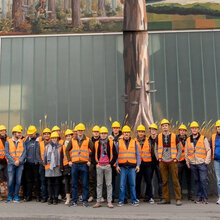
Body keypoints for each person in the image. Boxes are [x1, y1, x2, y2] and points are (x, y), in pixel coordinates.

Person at [156, 119, 182, 206]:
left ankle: (178, 199)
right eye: (163, 126)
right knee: (164, 181)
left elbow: (180, 148)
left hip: (172, 161)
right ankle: (166, 199)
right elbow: (155, 149)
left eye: (166, 125)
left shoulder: (174, 136)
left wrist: (177, 158)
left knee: (175, 180)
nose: (165, 127)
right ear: (161, 127)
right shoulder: (158, 136)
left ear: (169, 126)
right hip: (162, 161)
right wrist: (158, 158)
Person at [66, 123, 93, 207]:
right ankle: (74, 201)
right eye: (79, 130)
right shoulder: (72, 140)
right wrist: (69, 160)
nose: (80, 132)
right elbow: (67, 150)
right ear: (76, 131)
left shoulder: (88, 140)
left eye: (81, 130)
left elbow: (93, 150)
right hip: (74, 164)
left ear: (83, 131)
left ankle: (85, 201)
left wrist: (90, 160)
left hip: (84, 164)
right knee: (74, 184)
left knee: (85, 183)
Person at [185, 121, 211, 204]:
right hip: (193, 164)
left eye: (195, 128)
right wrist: (187, 162)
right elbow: (186, 152)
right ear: (191, 129)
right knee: (196, 180)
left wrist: (207, 161)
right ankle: (199, 197)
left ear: (198, 129)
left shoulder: (203, 138)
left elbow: (209, 150)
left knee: (203, 180)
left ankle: (205, 198)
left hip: (202, 163)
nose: (194, 129)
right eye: (193, 128)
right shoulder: (188, 139)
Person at [92, 126, 117, 208]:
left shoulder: (110, 142)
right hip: (99, 166)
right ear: (100, 134)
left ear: (107, 134)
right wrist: (96, 163)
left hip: (107, 166)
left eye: (105, 133)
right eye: (102, 133)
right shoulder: (96, 143)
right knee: (99, 184)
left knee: (109, 184)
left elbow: (115, 154)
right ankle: (98, 202)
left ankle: (109, 202)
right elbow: (92, 155)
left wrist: (111, 163)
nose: (103, 135)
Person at [116, 125, 141, 207]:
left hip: (132, 167)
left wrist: (138, 165)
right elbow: (116, 155)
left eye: (128, 132)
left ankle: (134, 200)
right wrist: (117, 165)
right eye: (125, 132)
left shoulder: (134, 142)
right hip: (122, 167)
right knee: (122, 185)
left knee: (132, 185)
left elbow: (138, 154)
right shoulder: (118, 142)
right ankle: (121, 201)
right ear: (123, 133)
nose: (126, 134)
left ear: (130, 133)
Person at [5, 126, 26, 202]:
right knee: (10, 181)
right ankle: (10, 196)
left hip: (20, 164)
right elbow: (7, 154)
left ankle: (16, 197)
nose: (20, 134)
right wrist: (14, 162)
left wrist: (19, 161)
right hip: (11, 164)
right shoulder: (8, 142)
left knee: (18, 181)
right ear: (14, 133)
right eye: (19, 133)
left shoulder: (22, 141)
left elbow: (24, 153)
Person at [135, 125, 154, 203]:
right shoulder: (134, 141)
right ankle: (137, 196)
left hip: (147, 164)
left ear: (144, 132)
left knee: (148, 181)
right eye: (139, 132)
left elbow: (152, 152)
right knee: (138, 181)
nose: (141, 133)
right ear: (137, 132)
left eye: (142, 132)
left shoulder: (148, 141)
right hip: (138, 164)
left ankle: (150, 197)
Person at [43, 132, 63, 205]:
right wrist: (45, 165)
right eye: (53, 138)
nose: (54, 139)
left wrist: (61, 167)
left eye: (55, 138)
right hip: (49, 167)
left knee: (57, 183)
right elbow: (45, 157)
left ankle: (55, 198)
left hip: (57, 166)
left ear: (57, 138)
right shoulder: (47, 146)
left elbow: (61, 157)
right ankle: (50, 197)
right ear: (51, 139)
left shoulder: (60, 146)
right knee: (49, 183)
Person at [23, 125, 41, 202]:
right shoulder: (26, 140)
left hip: (36, 164)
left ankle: (38, 196)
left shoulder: (39, 139)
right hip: (28, 163)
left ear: (35, 132)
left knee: (37, 180)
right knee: (29, 181)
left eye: (31, 133)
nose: (30, 135)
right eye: (29, 133)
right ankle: (28, 196)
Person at [108, 121, 123, 203]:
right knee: (111, 181)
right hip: (112, 162)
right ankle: (112, 197)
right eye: (114, 128)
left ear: (119, 128)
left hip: (121, 161)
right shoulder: (109, 138)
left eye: (117, 128)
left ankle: (123, 197)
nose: (115, 129)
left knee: (122, 181)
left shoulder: (123, 137)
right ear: (112, 129)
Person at [177, 124, 192, 201]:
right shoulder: (176, 139)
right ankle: (180, 195)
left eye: (183, 130)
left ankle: (190, 195)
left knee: (189, 179)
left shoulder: (189, 139)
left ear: (186, 131)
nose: (182, 132)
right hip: (179, 161)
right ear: (179, 131)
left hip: (187, 161)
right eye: (181, 130)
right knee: (179, 179)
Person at [148, 123, 162, 201]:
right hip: (150, 162)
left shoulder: (160, 139)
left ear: (156, 130)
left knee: (160, 179)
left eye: (154, 129)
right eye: (151, 129)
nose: (152, 131)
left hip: (158, 162)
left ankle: (161, 196)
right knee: (149, 180)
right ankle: (150, 196)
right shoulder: (148, 139)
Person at [37, 128, 51, 203]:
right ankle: (44, 197)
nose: (46, 135)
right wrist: (41, 162)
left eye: (48, 134)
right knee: (43, 182)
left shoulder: (52, 143)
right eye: (45, 134)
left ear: (50, 135)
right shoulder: (40, 143)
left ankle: (50, 197)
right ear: (43, 135)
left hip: (50, 166)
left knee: (49, 182)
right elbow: (38, 154)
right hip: (42, 166)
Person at [88, 125, 100, 203]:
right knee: (91, 180)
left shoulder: (102, 140)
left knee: (100, 180)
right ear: (92, 133)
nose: (96, 133)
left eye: (97, 132)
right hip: (91, 163)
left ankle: (100, 196)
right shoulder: (89, 141)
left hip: (99, 163)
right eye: (94, 132)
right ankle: (92, 195)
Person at [63, 129, 74, 205]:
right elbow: (61, 156)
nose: (68, 137)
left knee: (73, 182)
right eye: (67, 136)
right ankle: (68, 198)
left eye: (70, 136)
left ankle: (74, 197)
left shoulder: (75, 144)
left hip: (74, 165)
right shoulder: (63, 145)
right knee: (66, 182)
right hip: (66, 165)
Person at [210, 120, 220, 204]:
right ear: (216, 128)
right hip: (216, 161)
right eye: (218, 127)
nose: (219, 128)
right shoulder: (213, 137)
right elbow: (210, 148)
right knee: (219, 180)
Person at [0, 125, 9, 200]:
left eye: (4, 130)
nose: (3, 132)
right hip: (0, 162)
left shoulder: (8, 139)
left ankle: (9, 195)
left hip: (7, 162)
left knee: (8, 178)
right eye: (1, 131)